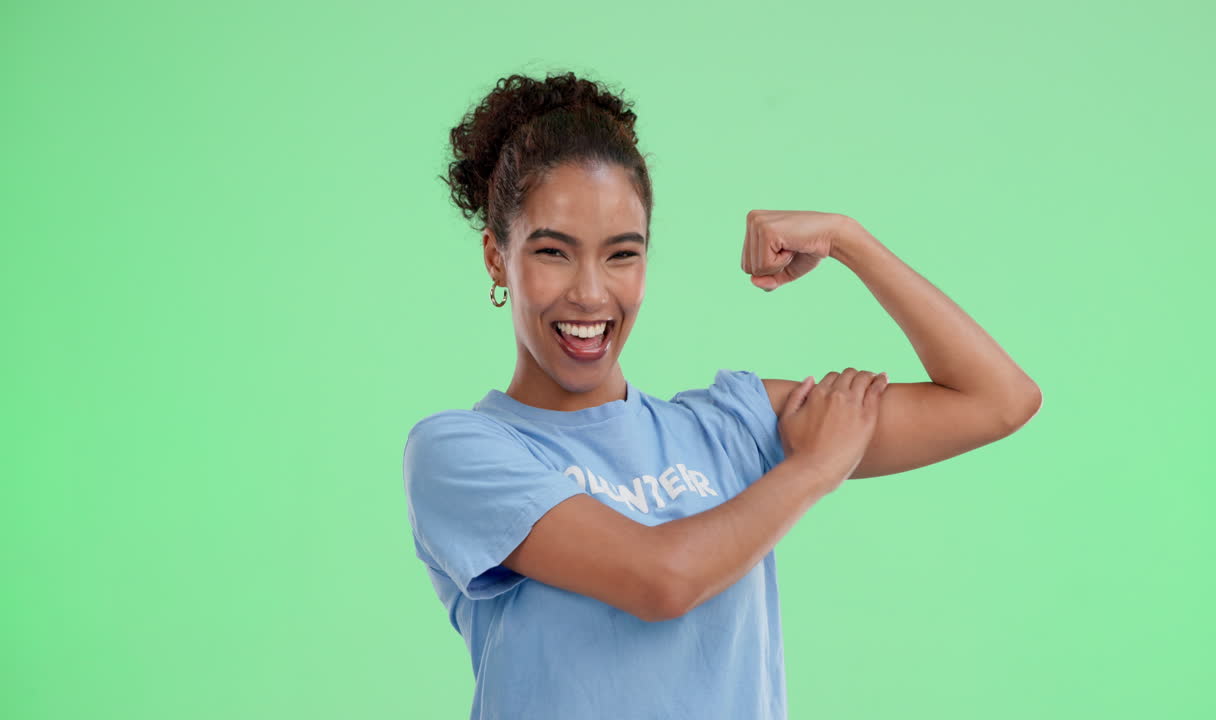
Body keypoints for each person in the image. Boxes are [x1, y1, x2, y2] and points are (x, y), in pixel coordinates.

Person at [403, 71, 1042, 720]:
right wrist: (815, 467)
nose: (591, 295)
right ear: (495, 257)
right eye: (553, 252)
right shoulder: (461, 453)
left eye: (621, 255)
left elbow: (999, 399)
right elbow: (661, 581)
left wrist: (849, 240)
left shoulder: (731, 427)